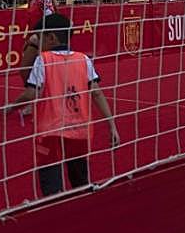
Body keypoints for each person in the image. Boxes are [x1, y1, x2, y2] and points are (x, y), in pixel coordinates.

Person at [8, 13, 120, 196]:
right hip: (78, 130)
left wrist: (12, 106)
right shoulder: (83, 59)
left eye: (40, 38)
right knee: (80, 180)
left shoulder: (43, 60)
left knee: (51, 182)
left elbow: (31, 92)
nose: (37, 44)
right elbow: (97, 93)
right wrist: (112, 125)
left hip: (50, 132)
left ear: (51, 38)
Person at [16, 0, 57, 116]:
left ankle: (47, 102)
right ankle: (35, 99)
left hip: (45, 40)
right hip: (35, 39)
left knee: (48, 73)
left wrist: (40, 37)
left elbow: (51, 20)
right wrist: (29, 38)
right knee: (25, 70)